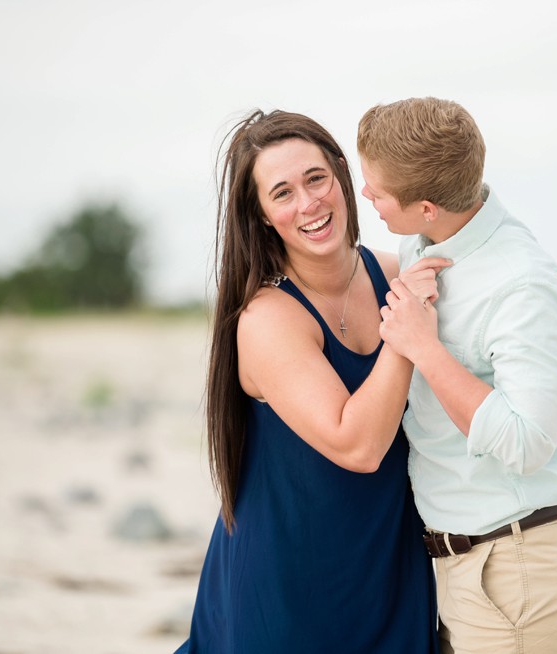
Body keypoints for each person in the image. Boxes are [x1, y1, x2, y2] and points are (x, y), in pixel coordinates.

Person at [174, 110, 439, 653]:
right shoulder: (269, 318)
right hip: (288, 593)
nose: (309, 204)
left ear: (342, 174)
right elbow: (357, 444)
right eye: (282, 193)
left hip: (392, 575)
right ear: (264, 215)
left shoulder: (395, 275)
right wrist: (406, 330)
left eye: (316, 179)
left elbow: (487, 280)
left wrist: (535, 278)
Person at [357, 97, 557, 654]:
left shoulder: (523, 286)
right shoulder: (431, 236)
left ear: (426, 206)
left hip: (521, 568)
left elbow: (526, 443)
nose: (366, 195)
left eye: (376, 188)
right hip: (470, 568)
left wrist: (423, 347)